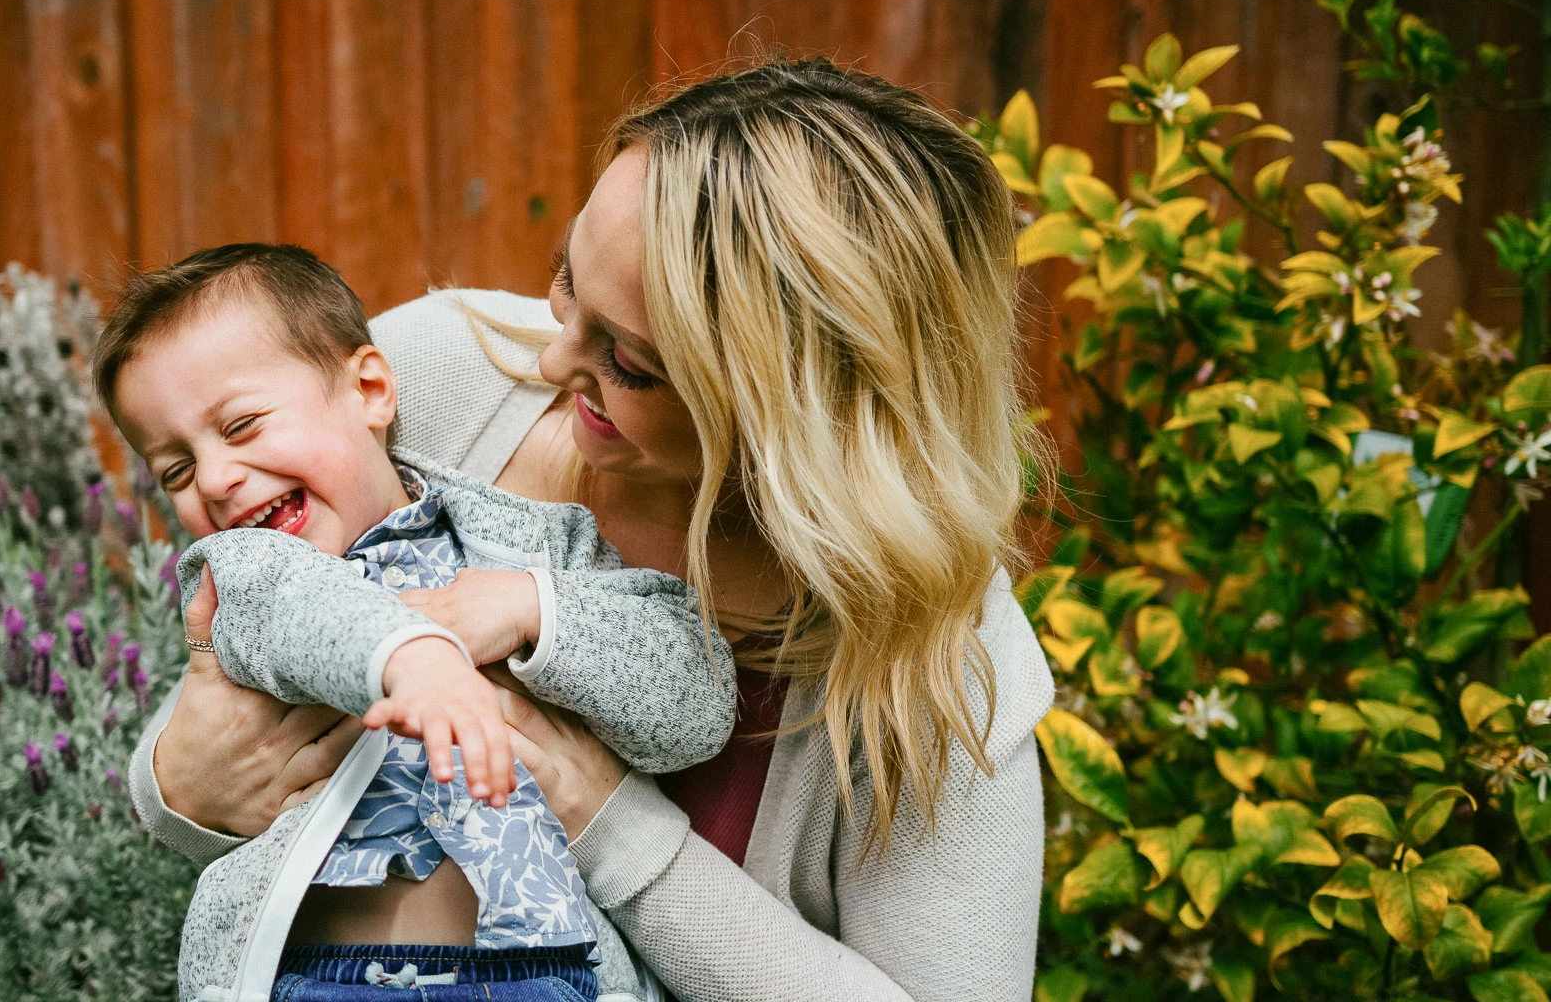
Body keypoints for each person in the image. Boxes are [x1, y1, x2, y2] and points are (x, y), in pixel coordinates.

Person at [131, 58, 1057, 1001]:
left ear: (798, 417)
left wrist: (614, 829)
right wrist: (179, 787)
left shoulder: (943, 668)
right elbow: (253, 636)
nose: (551, 354)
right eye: (567, 282)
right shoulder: (435, 375)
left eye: (632, 364)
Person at [96, 242, 734, 1001]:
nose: (215, 479)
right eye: (175, 469)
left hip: (547, 973)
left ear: (369, 389)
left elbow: (691, 706)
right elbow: (307, 613)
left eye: (240, 427)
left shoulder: (534, 546)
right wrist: (412, 656)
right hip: (331, 980)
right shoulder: (243, 583)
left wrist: (536, 609)